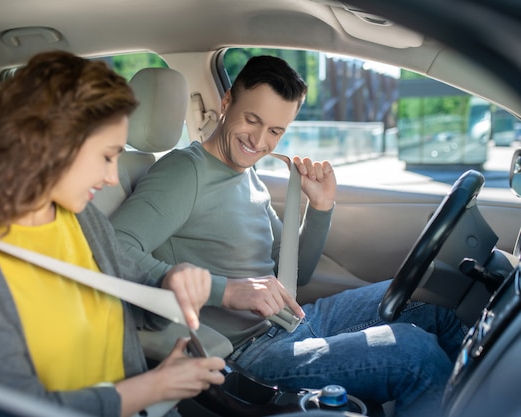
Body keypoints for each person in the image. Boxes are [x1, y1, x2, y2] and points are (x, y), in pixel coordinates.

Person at [110, 55, 467, 416]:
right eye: (252, 120)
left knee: (433, 304)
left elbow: (295, 275)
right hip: (247, 353)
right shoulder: (184, 172)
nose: (259, 141)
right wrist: (227, 290)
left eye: (276, 131)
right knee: (413, 353)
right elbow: (115, 250)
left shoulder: (245, 175)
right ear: (227, 101)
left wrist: (321, 209)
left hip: (290, 320)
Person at [0, 51, 225, 417]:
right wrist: (152, 387)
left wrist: (172, 283)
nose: (113, 177)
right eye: (106, 156)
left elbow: (141, 306)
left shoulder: (81, 219)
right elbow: (7, 408)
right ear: (52, 146)